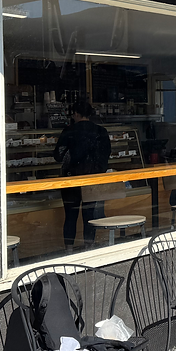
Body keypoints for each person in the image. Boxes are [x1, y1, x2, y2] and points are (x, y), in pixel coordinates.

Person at [53, 100, 111, 250]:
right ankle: (88, 247)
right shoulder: (101, 131)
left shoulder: (69, 131)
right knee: (89, 215)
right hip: (93, 179)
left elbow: (58, 155)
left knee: (70, 217)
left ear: (76, 114)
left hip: (71, 180)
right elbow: (106, 155)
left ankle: (69, 250)